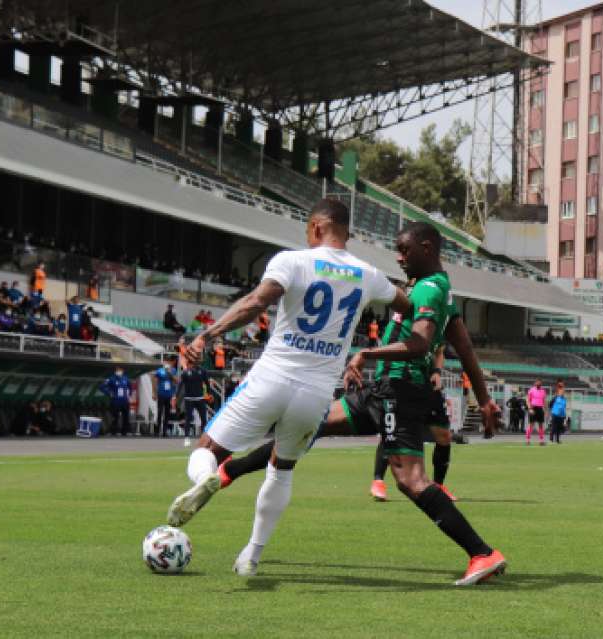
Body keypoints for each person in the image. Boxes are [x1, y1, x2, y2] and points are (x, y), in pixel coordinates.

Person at [208, 222, 507, 585]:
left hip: (401, 389)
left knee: (410, 480)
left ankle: (482, 553)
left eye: (404, 250)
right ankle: (229, 472)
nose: (399, 257)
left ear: (427, 248)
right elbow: (465, 347)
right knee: (311, 424)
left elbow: (421, 345)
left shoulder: (430, 289)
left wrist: (366, 352)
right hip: (382, 389)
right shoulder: (438, 290)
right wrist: (485, 399)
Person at [164, 198, 406, 577]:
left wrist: (207, 335)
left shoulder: (292, 261)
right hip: (316, 394)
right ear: (347, 233)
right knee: (282, 469)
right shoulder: (368, 274)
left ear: (315, 228)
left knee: (208, 449)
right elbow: (407, 306)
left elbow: (257, 302)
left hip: (273, 378)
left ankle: (206, 478)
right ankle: (251, 558)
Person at [368, 344, 458, 502]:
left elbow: (439, 352)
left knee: (443, 436)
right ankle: (378, 481)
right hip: (402, 380)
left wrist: (437, 372)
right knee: (391, 430)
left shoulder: (439, 325)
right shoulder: (404, 325)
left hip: (428, 383)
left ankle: (438, 486)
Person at [177, 361, 209, 437]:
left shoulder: (203, 371)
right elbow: (180, 384)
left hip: (200, 398)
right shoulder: (185, 373)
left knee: (203, 418)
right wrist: (176, 395)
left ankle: (204, 435)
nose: (190, 365)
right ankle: (187, 437)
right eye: (189, 364)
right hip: (189, 399)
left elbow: (207, 383)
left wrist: (209, 393)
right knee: (188, 418)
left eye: (192, 363)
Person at [101, 367, 132, 436]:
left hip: (125, 401)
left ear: (123, 371)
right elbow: (102, 387)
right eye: (118, 370)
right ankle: (113, 431)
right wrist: (109, 393)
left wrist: (129, 395)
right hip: (115, 401)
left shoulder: (126, 378)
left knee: (126, 417)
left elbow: (130, 387)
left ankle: (125, 432)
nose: (119, 372)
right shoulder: (111, 379)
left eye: (120, 370)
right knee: (115, 417)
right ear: (115, 371)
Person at [153, 360, 179, 437]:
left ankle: (165, 431)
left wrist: (170, 373)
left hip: (169, 395)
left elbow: (176, 381)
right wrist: (154, 392)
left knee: (167, 413)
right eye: (165, 362)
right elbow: (154, 380)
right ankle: (157, 431)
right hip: (161, 394)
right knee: (160, 412)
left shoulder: (173, 370)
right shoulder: (159, 371)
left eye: (168, 362)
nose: (167, 364)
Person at [526, 379, 547, 446]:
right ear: (535, 383)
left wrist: (545, 410)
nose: (538, 383)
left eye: (540, 382)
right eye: (537, 382)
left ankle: (541, 441)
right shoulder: (531, 390)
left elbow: (544, 401)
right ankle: (528, 440)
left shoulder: (543, 391)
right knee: (531, 425)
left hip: (540, 408)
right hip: (533, 408)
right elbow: (528, 400)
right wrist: (530, 408)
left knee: (541, 425)